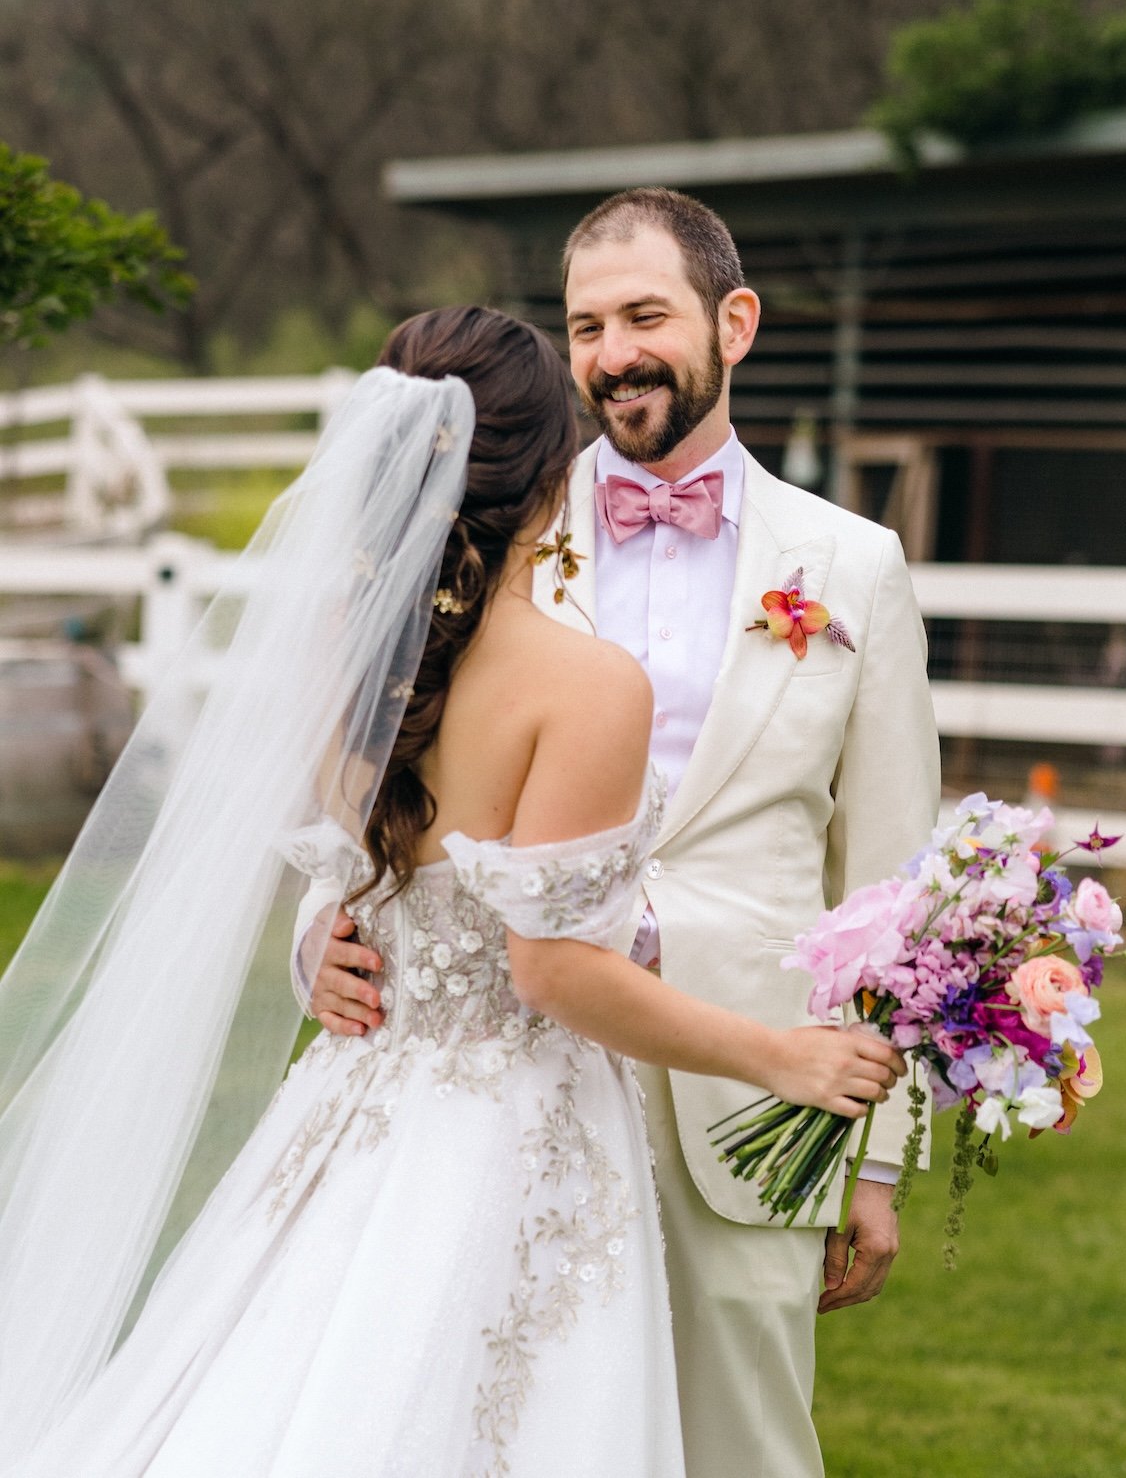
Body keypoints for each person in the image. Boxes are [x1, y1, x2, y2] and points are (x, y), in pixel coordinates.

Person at [0, 305, 904, 1478]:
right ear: (548, 474)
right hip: (516, 1128)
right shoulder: (584, 686)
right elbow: (552, 968)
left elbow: (354, 881)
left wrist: (329, 934)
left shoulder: (342, 648)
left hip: (350, 1102)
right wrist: (780, 1057)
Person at [309, 196, 942, 1478]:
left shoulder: (854, 563)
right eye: (587, 325)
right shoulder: (486, 531)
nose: (612, 353)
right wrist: (315, 945)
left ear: (735, 322)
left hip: (751, 1090)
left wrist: (875, 1153)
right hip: (506, 1082)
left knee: (743, 1447)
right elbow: (376, 785)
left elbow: (893, 882)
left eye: (645, 315)